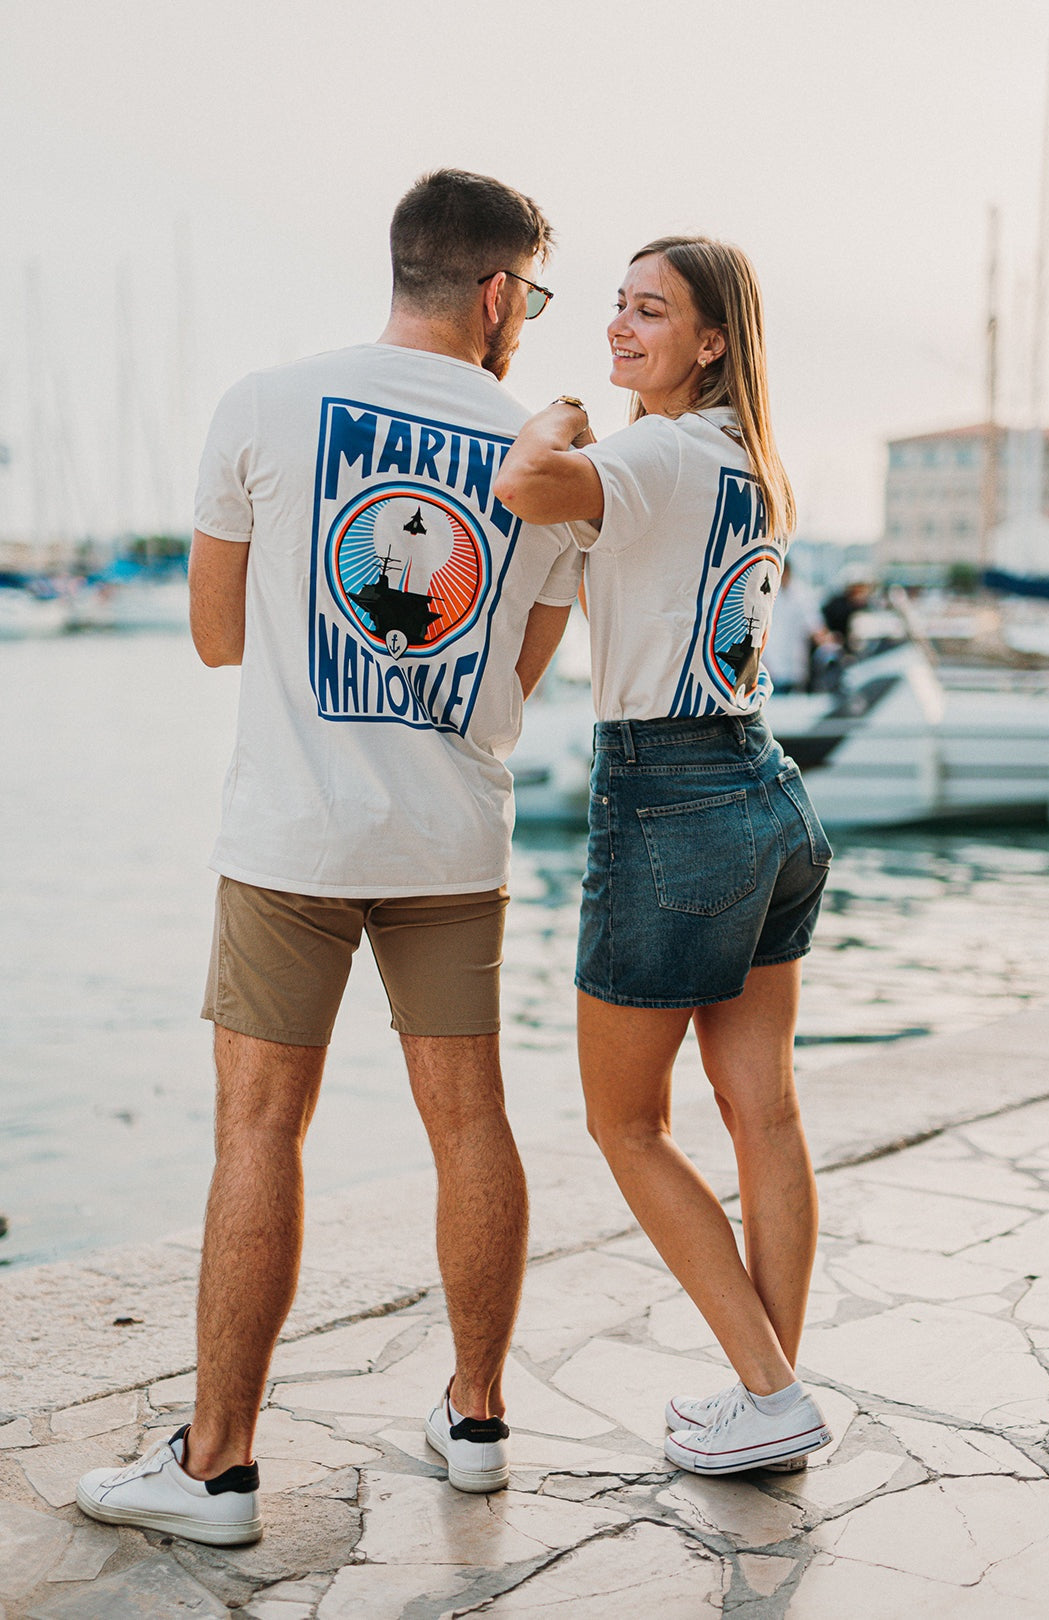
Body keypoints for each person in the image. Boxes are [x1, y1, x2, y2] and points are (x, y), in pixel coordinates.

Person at [76, 169, 583, 1544]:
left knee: (259, 1130)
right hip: (451, 841)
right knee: (468, 1119)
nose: (528, 318)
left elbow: (218, 634)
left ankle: (222, 1464)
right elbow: (520, 674)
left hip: (291, 835)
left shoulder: (263, 402)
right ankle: (476, 1419)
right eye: (531, 294)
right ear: (494, 293)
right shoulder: (550, 458)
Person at [493, 236, 833, 1476]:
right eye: (616, 309)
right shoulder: (748, 463)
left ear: (711, 343)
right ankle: (769, 1396)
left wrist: (563, 411)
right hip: (764, 790)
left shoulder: (654, 448)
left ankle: (770, 1393)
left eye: (652, 313)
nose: (622, 328)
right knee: (766, 1112)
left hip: (669, 800)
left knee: (624, 1123)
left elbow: (532, 480)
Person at [765, 558, 833, 694]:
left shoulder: (802, 595)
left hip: (793, 668)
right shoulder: (765, 592)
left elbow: (815, 627)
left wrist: (830, 645)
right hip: (768, 666)